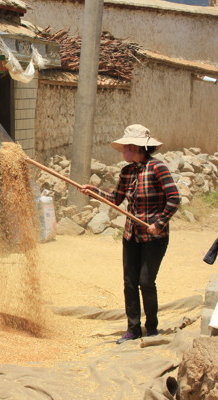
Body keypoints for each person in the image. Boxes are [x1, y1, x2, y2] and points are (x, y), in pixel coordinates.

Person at [81, 124, 180, 344]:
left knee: (146, 281)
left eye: (126, 148)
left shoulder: (158, 168)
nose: (123, 151)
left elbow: (174, 198)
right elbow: (116, 199)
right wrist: (93, 191)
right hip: (131, 235)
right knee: (129, 282)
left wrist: (159, 223)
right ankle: (133, 329)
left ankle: (151, 327)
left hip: (154, 237)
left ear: (135, 148)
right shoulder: (127, 171)